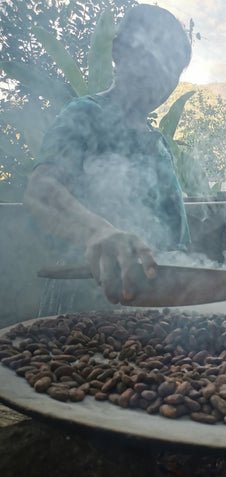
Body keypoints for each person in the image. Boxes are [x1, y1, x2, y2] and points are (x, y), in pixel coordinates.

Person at [24, 4, 192, 314]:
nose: (164, 80)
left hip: (156, 313)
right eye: (156, 61)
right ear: (119, 52)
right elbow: (41, 191)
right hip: (85, 308)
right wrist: (98, 231)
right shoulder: (84, 114)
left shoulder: (160, 144)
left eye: (174, 70)